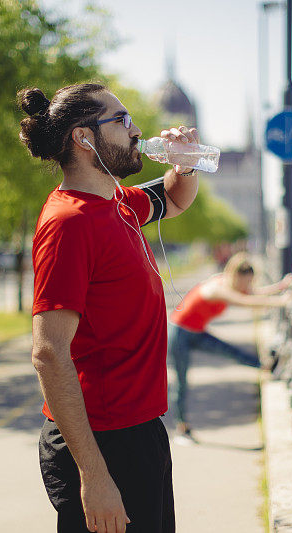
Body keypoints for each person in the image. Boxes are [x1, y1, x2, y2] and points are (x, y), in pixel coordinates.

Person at [19, 82, 200, 533]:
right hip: (104, 445)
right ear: (83, 138)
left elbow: (176, 199)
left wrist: (186, 164)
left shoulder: (117, 202)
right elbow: (48, 352)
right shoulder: (70, 223)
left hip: (140, 430)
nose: (135, 130)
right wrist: (95, 477)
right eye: (121, 121)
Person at [167, 252, 292, 442]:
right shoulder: (217, 288)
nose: (245, 287)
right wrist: (280, 302)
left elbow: (253, 293)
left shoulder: (232, 286)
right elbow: (247, 301)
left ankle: (266, 366)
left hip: (196, 331)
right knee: (182, 382)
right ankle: (181, 429)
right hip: (180, 334)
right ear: (235, 276)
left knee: (230, 351)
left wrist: (280, 287)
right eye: (244, 282)